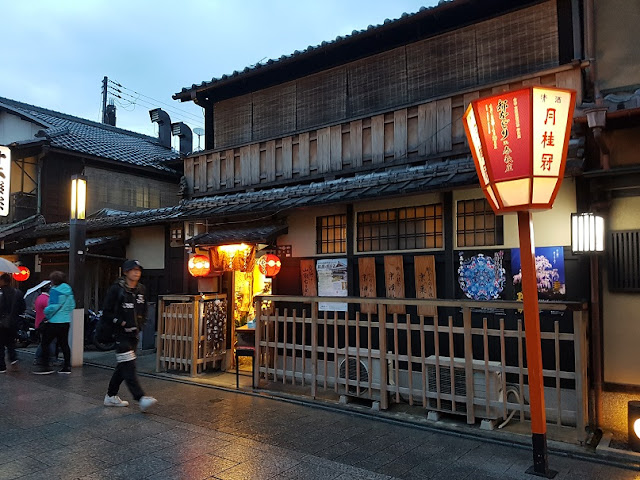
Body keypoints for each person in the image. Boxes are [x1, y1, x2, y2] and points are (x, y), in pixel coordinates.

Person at [103, 260, 157, 412]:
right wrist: (120, 323)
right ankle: (140, 397)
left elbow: (144, 309)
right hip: (119, 333)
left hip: (134, 333)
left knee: (123, 365)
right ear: (125, 272)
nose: (136, 273)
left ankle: (111, 396)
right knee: (129, 365)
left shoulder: (141, 289)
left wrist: (141, 325)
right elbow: (107, 311)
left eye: (138, 270)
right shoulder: (116, 289)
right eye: (133, 270)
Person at [34, 271, 75, 375]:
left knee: (45, 343)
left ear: (54, 280)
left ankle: (45, 367)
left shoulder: (55, 290)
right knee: (64, 344)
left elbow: (53, 306)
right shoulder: (68, 290)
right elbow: (72, 305)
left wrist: (46, 311)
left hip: (54, 322)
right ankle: (67, 367)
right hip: (65, 321)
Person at [0, 273, 25, 373]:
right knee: (11, 342)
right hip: (13, 323)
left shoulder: (0, 293)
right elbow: (23, 308)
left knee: (0, 344)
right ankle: (13, 359)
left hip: (1, 323)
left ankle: (1, 366)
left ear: (2, 281)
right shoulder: (17, 292)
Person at [33, 285, 57, 366]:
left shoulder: (39, 298)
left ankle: (38, 358)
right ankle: (52, 359)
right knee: (51, 342)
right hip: (46, 324)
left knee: (44, 342)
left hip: (39, 324)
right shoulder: (47, 299)